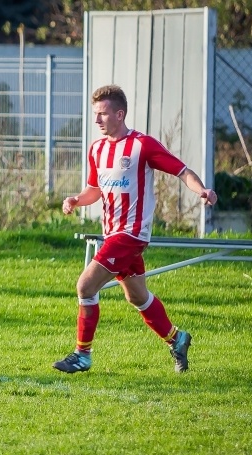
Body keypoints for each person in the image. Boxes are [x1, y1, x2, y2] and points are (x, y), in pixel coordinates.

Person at [54, 84, 218, 375]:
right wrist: (76, 200)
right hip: (112, 233)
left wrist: (202, 189)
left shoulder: (143, 145)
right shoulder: (97, 149)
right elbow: (94, 189)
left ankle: (82, 354)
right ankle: (177, 339)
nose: (97, 121)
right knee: (137, 296)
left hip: (131, 234)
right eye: (95, 114)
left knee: (85, 285)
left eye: (102, 114)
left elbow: (182, 171)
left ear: (120, 114)